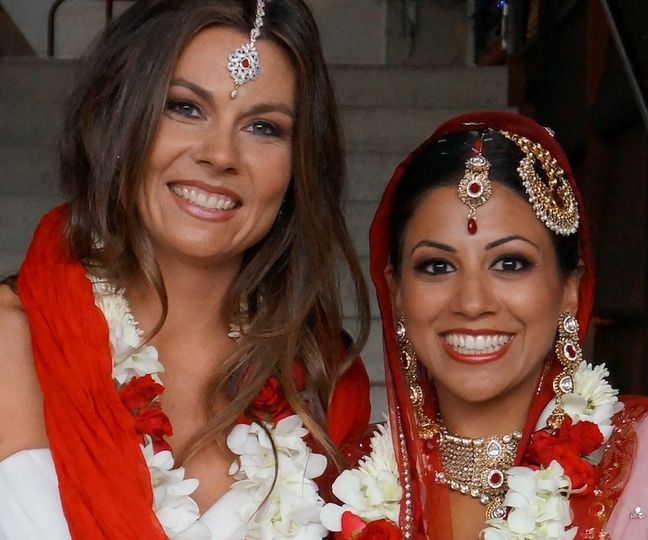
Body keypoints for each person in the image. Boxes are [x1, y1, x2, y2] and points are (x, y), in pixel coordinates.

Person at [0, 1, 371, 538]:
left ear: (298, 169)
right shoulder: (12, 340)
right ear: (120, 121)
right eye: (185, 108)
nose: (220, 154)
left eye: (264, 127)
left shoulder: (323, 383)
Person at [321, 111, 648, 539]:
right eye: (437, 265)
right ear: (396, 293)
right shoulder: (336, 487)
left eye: (509, 263)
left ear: (570, 289)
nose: (472, 302)